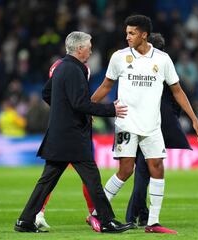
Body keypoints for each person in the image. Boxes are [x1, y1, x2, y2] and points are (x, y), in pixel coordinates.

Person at [91, 15, 198, 234]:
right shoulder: (119, 57)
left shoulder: (162, 59)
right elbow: (106, 85)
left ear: (144, 34)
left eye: (132, 33)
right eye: (126, 32)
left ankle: (153, 222)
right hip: (126, 123)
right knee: (125, 170)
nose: (127, 37)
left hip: (152, 125)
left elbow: (177, 90)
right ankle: (96, 214)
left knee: (158, 168)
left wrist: (194, 118)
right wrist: (89, 106)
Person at [14, 31, 133, 234]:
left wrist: (62, 109)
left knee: (46, 182)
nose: (91, 50)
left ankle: (25, 221)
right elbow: (80, 103)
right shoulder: (74, 70)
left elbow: (47, 93)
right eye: (89, 46)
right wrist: (110, 110)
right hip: (73, 137)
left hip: (61, 135)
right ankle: (106, 221)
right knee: (93, 181)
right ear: (79, 49)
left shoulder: (62, 67)